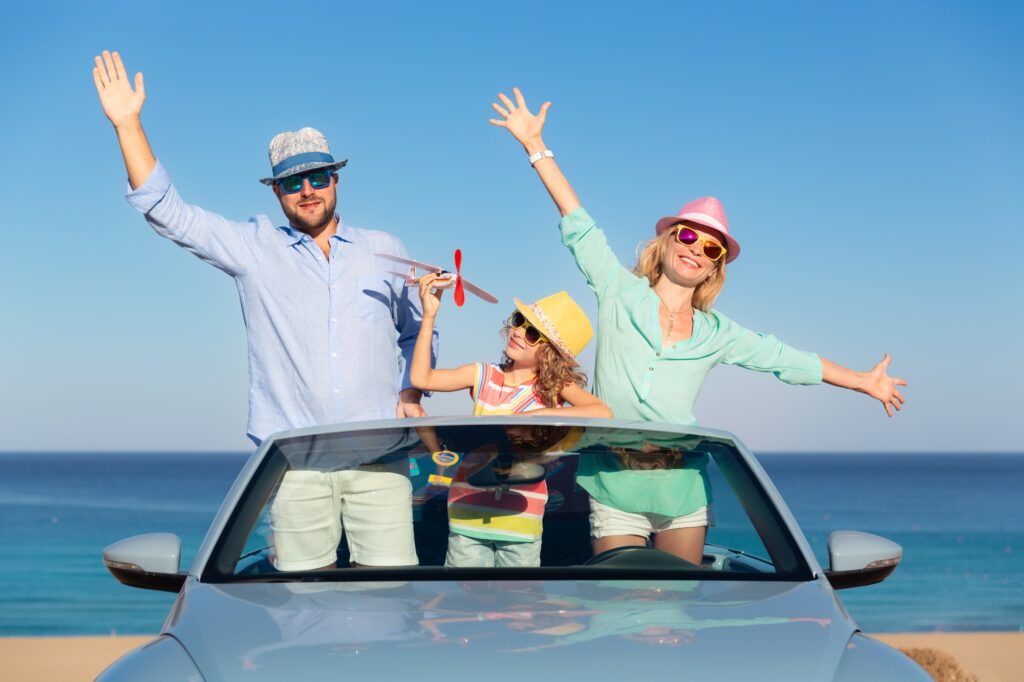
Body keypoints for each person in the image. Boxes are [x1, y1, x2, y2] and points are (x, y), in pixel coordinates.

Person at [489, 87, 907, 564]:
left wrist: (862, 382)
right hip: (612, 484)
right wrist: (535, 146)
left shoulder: (717, 333)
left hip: (683, 489)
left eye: (711, 248)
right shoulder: (619, 291)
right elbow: (579, 224)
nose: (695, 249)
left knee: (680, 601)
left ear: (714, 268)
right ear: (667, 241)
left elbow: (785, 359)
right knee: (621, 600)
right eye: (688, 236)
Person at [92, 50, 434, 568]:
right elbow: (167, 211)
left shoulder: (385, 249)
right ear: (276, 191)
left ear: (336, 178)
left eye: (318, 177)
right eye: (292, 182)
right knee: (297, 600)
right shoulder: (254, 248)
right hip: (295, 467)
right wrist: (127, 125)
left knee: (389, 595)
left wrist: (411, 390)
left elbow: (417, 331)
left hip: (380, 460)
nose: (307, 191)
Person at [410, 274, 612, 566]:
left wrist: (539, 416)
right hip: (466, 514)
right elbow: (421, 379)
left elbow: (603, 412)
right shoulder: (483, 374)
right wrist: (429, 316)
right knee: (464, 593)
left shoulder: (554, 388)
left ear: (551, 354)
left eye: (533, 334)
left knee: (518, 595)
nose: (518, 332)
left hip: (522, 520)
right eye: (519, 320)